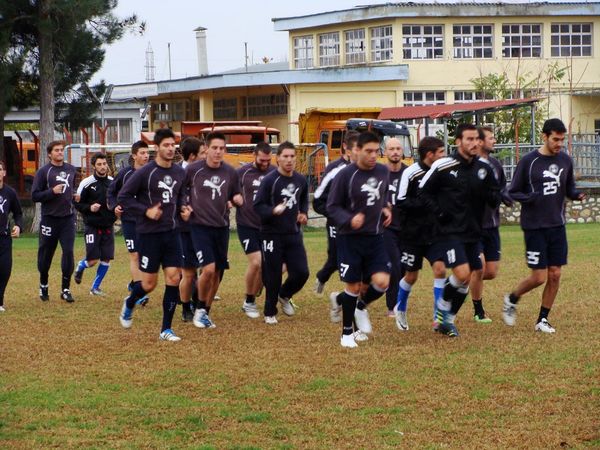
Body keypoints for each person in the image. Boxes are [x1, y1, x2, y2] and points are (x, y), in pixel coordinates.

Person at [503, 118, 585, 333]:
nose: (559, 144)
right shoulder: (529, 162)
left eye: (561, 139)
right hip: (534, 226)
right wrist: (529, 197)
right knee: (539, 276)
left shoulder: (566, 161)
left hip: (557, 225)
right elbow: (512, 191)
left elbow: (569, 189)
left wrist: (577, 195)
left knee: (555, 274)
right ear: (544, 137)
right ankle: (511, 299)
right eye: (555, 139)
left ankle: (542, 320)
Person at [419, 124, 500, 337]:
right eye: (469, 139)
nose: (475, 143)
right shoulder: (444, 166)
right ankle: (442, 309)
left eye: (477, 139)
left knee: (470, 275)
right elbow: (423, 192)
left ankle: (448, 319)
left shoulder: (483, 168)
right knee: (462, 274)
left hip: (473, 231)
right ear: (458, 141)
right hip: (449, 232)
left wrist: (495, 197)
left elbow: (493, 193)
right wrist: (439, 213)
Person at [117, 128, 190, 341]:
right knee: (149, 284)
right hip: (149, 234)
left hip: (172, 232)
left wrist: (184, 207)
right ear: (156, 148)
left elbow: (182, 193)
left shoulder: (179, 172)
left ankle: (166, 329)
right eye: (166, 145)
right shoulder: (144, 173)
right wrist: (145, 211)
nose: (170, 149)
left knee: (174, 277)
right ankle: (130, 302)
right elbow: (124, 197)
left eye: (172, 145)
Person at [327, 131, 392, 348]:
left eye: (377, 151)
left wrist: (386, 208)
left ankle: (360, 307)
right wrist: (349, 218)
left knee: (382, 282)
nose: (374, 155)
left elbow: (383, 196)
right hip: (349, 239)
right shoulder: (345, 175)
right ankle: (346, 334)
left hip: (375, 237)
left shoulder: (383, 171)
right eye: (369, 151)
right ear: (357, 151)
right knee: (353, 286)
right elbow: (332, 206)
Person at [184, 131, 242, 329]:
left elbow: (235, 192)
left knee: (217, 272)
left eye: (222, 148)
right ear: (206, 149)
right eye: (214, 148)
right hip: (199, 226)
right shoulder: (193, 170)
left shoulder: (230, 172)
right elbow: (180, 190)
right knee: (207, 269)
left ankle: (205, 312)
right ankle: (198, 307)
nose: (218, 152)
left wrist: (237, 199)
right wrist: (185, 206)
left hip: (222, 226)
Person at [254, 141, 310, 324]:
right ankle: (270, 311)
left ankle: (284, 295)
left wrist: (303, 214)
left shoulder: (301, 180)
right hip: (271, 234)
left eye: (292, 156)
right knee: (273, 274)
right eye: (285, 156)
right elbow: (258, 206)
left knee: (302, 272)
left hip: (293, 233)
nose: (289, 160)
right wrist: (272, 211)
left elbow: (302, 200)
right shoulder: (270, 180)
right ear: (278, 158)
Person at [394, 137, 447, 331]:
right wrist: (425, 205)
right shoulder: (411, 172)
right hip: (413, 234)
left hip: (435, 233)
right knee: (411, 276)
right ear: (430, 154)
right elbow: (400, 201)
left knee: (440, 269)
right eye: (441, 152)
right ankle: (400, 308)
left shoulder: (442, 172)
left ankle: (438, 317)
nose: (444, 155)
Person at [468, 127, 512, 323]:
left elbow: (501, 187)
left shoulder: (495, 164)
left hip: (492, 226)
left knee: (491, 272)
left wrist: (507, 197)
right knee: (479, 267)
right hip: (473, 227)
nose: (494, 141)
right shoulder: (469, 165)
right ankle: (478, 311)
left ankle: (459, 282)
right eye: (491, 138)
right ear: (480, 141)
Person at [312, 131, 359, 297]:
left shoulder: (365, 169)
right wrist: (334, 214)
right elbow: (318, 200)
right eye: (356, 148)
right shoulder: (334, 169)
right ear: (346, 148)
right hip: (337, 223)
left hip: (358, 224)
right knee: (335, 258)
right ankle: (323, 278)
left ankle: (349, 296)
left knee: (358, 257)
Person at [32, 140, 78, 303]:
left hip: (67, 219)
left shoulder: (71, 169)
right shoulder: (43, 172)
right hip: (49, 219)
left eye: (61, 150)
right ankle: (43, 284)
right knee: (46, 255)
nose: (60, 152)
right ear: (50, 153)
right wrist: (51, 192)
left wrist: (75, 197)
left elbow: (72, 190)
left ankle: (65, 289)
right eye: (56, 150)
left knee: (68, 252)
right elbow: (35, 195)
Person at [236, 142, 276, 319]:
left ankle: (261, 288)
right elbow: (230, 191)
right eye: (262, 160)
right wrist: (233, 198)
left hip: (269, 227)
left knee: (274, 265)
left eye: (268, 160)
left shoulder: (275, 173)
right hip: (247, 225)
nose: (265, 163)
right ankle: (249, 301)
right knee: (257, 262)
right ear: (254, 155)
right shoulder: (242, 173)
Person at [107, 141, 150, 305]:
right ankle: (140, 292)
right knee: (135, 255)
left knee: (147, 257)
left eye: (147, 153)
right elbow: (111, 192)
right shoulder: (125, 174)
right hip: (130, 220)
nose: (146, 156)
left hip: (148, 222)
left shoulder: (153, 173)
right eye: (142, 153)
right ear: (134, 156)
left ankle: (134, 284)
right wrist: (114, 206)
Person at [74, 152, 117, 296]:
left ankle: (95, 288)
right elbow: (77, 203)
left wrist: (117, 209)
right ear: (94, 166)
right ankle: (81, 266)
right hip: (92, 225)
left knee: (106, 258)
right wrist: (89, 208)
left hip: (108, 226)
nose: (103, 167)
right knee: (92, 261)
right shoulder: (86, 183)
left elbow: (118, 200)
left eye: (104, 164)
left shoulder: (113, 182)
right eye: (99, 164)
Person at [178, 137, 204, 322]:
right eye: (203, 152)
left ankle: (199, 302)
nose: (207, 155)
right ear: (193, 156)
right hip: (184, 229)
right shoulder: (178, 173)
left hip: (205, 228)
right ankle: (186, 307)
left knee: (211, 269)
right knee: (189, 272)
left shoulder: (206, 172)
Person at [383, 138, 408, 317]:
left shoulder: (409, 173)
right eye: (392, 149)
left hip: (407, 227)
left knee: (406, 267)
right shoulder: (379, 174)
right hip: (387, 228)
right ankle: (393, 306)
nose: (395, 152)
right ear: (385, 152)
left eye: (398, 148)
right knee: (394, 266)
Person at [0, 161, 23, 312]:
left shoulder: (10, 192)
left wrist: (18, 225)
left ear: (4, 172)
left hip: (4, 237)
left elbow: (18, 213)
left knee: (5, 269)